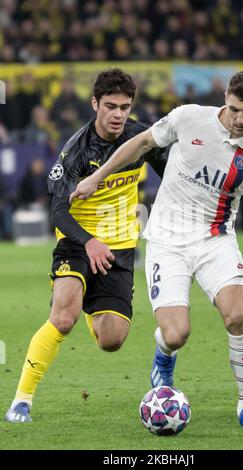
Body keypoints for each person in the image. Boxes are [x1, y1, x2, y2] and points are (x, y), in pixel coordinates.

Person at [69, 71, 243, 430]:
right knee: (176, 333)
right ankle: (164, 355)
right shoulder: (188, 118)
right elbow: (139, 144)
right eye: (234, 110)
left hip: (216, 241)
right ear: (225, 100)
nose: (241, 119)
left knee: (236, 316)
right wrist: (97, 176)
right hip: (167, 241)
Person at [5, 68, 167, 423]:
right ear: (95, 104)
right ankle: (22, 399)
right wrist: (89, 241)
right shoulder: (76, 151)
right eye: (110, 105)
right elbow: (58, 212)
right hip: (77, 242)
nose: (118, 114)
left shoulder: (140, 138)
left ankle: (91, 299)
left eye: (125, 106)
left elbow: (171, 174)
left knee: (112, 340)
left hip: (120, 249)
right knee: (63, 317)